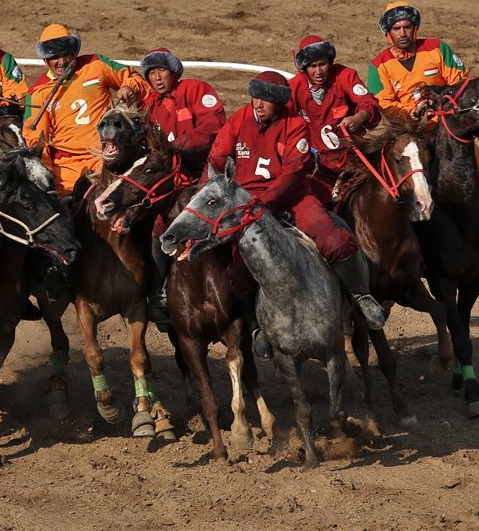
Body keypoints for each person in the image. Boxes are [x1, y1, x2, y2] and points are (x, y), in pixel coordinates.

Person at [208, 72, 387, 358]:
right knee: (237, 267)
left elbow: (293, 172)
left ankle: (360, 296)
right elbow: (217, 157)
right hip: (249, 201)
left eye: (267, 100)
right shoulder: (239, 119)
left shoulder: (295, 125)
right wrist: (219, 189)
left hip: (292, 197)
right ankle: (255, 327)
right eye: (257, 97)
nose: (259, 104)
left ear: (280, 103)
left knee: (334, 240)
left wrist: (265, 202)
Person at [366, 2, 479, 226]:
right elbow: (386, 105)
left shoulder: (437, 48)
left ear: (415, 28)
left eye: (407, 27)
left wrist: (443, 105)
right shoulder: (379, 66)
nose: (403, 33)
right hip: (411, 134)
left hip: (448, 127)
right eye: (397, 29)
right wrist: (413, 114)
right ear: (388, 33)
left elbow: (460, 81)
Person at [139, 47, 227, 326]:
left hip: (202, 176)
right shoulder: (150, 106)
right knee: (152, 223)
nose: (157, 78)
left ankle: (238, 289)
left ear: (173, 71)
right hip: (169, 182)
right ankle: (157, 293)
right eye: (151, 73)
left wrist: (178, 146)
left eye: (161, 71)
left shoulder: (196, 89)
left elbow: (214, 127)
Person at [22, 23, 149, 195]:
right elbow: (36, 141)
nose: (62, 62)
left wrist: (129, 88)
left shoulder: (96, 65)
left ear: (74, 53)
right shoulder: (37, 92)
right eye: (55, 57)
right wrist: (45, 175)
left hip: (107, 156)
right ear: (45, 60)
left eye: (66, 55)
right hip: (66, 169)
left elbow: (135, 78)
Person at [289, 36, 381, 204]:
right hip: (315, 163)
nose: (318, 71)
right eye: (312, 66)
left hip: (350, 156)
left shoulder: (345, 75)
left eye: (322, 64)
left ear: (330, 62)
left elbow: (368, 103)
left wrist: (359, 117)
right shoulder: (293, 88)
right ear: (303, 67)